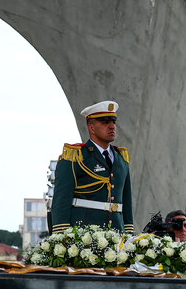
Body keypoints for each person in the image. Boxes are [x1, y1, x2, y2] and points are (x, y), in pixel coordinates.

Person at [50, 101, 134, 235]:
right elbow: (61, 202)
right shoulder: (75, 157)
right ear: (91, 128)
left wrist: (128, 233)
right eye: (105, 122)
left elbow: (126, 202)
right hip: (85, 236)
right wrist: (63, 237)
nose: (112, 126)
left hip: (117, 234)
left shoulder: (121, 159)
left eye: (113, 122)